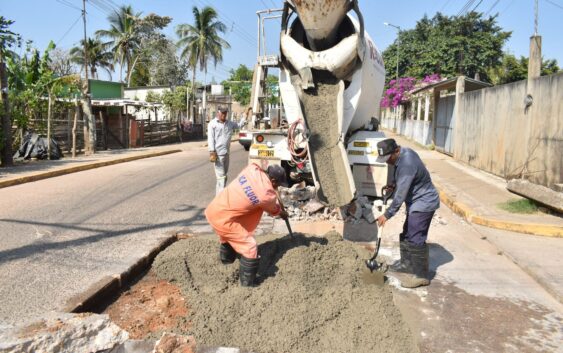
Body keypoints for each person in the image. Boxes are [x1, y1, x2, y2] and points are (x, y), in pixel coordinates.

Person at [205, 163, 289, 287]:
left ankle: (227, 262)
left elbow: (257, 165)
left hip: (214, 210)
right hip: (225, 221)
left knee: (228, 237)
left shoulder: (252, 170)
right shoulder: (266, 195)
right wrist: (282, 213)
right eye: (277, 184)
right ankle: (247, 284)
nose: (277, 187)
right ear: (272, 180)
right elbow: (273, 210)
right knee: (250, 246)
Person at [376, 138, 440, 288]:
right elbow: (397, 171)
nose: (386, 162)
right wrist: (393, 183)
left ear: (396, 151)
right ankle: (407, 265)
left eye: (388, 158)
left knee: (415, 238)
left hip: (424, 202)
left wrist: (387, 214)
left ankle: (420, 276)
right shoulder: (403, 153)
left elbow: (400, 195)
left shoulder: (407, 163)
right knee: (406, 234)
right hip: (415, 202)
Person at [208, 106, 239, 194]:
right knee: (221, 177)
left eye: (225, 113)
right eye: (222, 113)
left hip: (226, 153)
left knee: (224, 176)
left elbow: (238, 125)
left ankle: (220, 196)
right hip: (217, 155)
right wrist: (212, 151)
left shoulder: (230, 124)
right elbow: (211, 138)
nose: (224, 115)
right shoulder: (212, 124)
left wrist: (245, 117)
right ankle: (221, 199)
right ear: (218, 113)